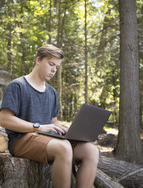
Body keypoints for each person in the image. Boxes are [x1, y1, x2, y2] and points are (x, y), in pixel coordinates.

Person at [0, 44, 99, 188]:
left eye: (57, 67)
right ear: (38, 60)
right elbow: (4, 119)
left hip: (49, 139)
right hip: (22, 139)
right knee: (64, 148)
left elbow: (54, 121)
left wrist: (67, 130)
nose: (54, 70)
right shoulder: (17, 86)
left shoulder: (52, 92)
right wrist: (38, 127)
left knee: (91, 151)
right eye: (51, 64)